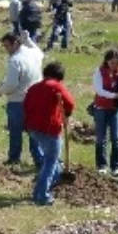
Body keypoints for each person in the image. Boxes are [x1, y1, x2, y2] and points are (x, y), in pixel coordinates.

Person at [23, 61, 75, 206]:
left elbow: (26, 106)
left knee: (51, 159)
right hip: (49, 129)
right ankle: (41, 195)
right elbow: (70, 103)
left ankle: (51, 182)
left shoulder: (33, 88)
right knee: (50, 162)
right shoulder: (56, 86)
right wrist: (67, 113)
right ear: (60, 77)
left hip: (33, 128)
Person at [0, 32, 44, 170]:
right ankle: (39, 160)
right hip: (36, 100)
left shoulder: (15, 60)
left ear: (15, 44)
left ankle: (14, 159)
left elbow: (11, 84)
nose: (6, 49)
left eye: (7, 46)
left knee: (15, 131)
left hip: (18, 101)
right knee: (34, 131)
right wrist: (28, 40)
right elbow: (39, 52)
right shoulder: (33, 54)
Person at [92, 50, 118, 178]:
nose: (114, 65)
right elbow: (99, 90)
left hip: (116, 109)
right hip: (100, 107)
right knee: (101, 137)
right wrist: (114, 95)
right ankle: (101, 165)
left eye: (116, 63)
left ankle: (116, 167)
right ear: (107, 61)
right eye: (111, 62)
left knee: (116, 138)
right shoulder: (99, 72)